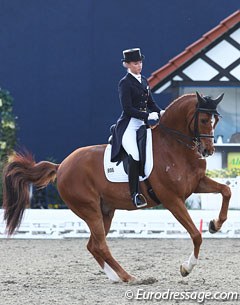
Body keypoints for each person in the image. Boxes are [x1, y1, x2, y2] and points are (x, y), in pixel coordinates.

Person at [110, 48, 162, 208]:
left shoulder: (144, 80)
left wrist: (161, 112)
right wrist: (147, 116)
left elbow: (151, 103)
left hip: (143, 125)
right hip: (129, 126)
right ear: (127, 65)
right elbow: (127, 109)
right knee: (135, 155)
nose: (139, 66)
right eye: (135, 63)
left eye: (140, 62)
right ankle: (135, 194)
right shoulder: (124, 83)